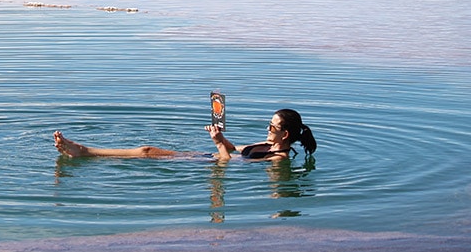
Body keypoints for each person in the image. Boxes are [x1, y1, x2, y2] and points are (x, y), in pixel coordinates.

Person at [53, 108, 316, 162]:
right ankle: (83, 151)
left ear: (286, 133)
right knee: (146, 149)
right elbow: (235, 149)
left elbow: (225, 163)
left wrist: (218, 146)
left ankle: (84, 152)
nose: (267, 129)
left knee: (145, 151)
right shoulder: (266, 144)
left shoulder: (279, 158)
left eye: (272, 127)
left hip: (209, 163)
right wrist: (221, 137)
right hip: (206, 156)